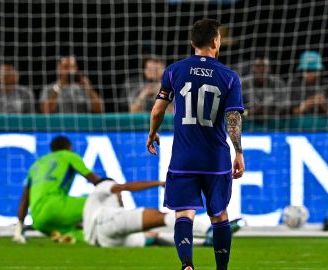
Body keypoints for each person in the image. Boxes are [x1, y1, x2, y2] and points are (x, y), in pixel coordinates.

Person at [147, 19, 245, 270]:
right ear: (215, 41)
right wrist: (239, 152)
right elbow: (232, 117)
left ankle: (187, 265)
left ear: (192, 43)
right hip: (215, 158)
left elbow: (158, 108)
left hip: (183, 157)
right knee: (219, 215)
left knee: (184, 212)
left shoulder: (174, 71)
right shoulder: (229, 77)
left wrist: (152, 133)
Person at [82, 179, 238, 248]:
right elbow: (125, 186)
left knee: (154, 238)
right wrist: (160, 183)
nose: (120, 196)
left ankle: (205, 243)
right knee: (160, 217)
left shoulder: (91, 206)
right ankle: (210, 231)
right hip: (105, 223)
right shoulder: (104, 186)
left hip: (106, 242)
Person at [13, 136, 102, 243]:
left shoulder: (37, 164)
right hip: (55, 207)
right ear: (69, 147)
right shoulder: (69, 156)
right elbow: (95, 180)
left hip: (37, 219)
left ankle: (66, 235)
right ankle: (111, 231)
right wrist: (113, 187)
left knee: (76, 231)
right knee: (100, 201)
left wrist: (19, 226)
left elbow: (24, 199)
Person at [40, 56, 104, 114]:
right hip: (58, 126)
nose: (70, 70)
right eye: (66, 67)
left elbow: (99, 109)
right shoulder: (49, 89)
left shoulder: (85, 88)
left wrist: (89, 89)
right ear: (59, 68)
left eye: (72, 66)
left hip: (82, 126)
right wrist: (59, 86)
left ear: (76, 68)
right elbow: (45, 111)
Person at [288, 51, 328, 115]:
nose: (311, 74)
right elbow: (288, 113)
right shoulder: (293, 85)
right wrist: (304, 106)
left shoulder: (327, 84)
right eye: (307, 70)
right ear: (301, 71)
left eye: (314, 70)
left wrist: (323, 105)